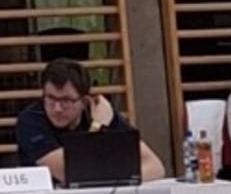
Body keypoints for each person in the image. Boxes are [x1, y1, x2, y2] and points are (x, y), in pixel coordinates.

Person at [16, 58, 165, 183]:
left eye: (66, 101)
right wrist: (97, 129)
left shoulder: (101, 114)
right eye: (50, 98)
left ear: (84, 101)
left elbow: (155, 167)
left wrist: (102, 125)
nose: (57, 108)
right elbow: (72, 174)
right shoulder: (31, 121)